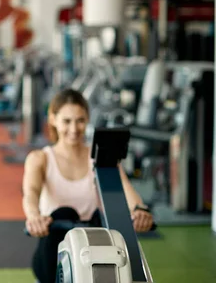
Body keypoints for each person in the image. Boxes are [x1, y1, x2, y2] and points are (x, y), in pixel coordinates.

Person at [22, 88, 154, 283]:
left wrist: (140, 211)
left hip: (96, 248)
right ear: (53, 119)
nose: (74, 129)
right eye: (67, 121)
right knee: (63, 214)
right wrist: (34, 217)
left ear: (87, 120)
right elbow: (30, 193)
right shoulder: (40, 158)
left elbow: (127, 192)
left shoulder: (101, 158)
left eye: (80, 120)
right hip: (54, 251)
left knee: (101, 219)